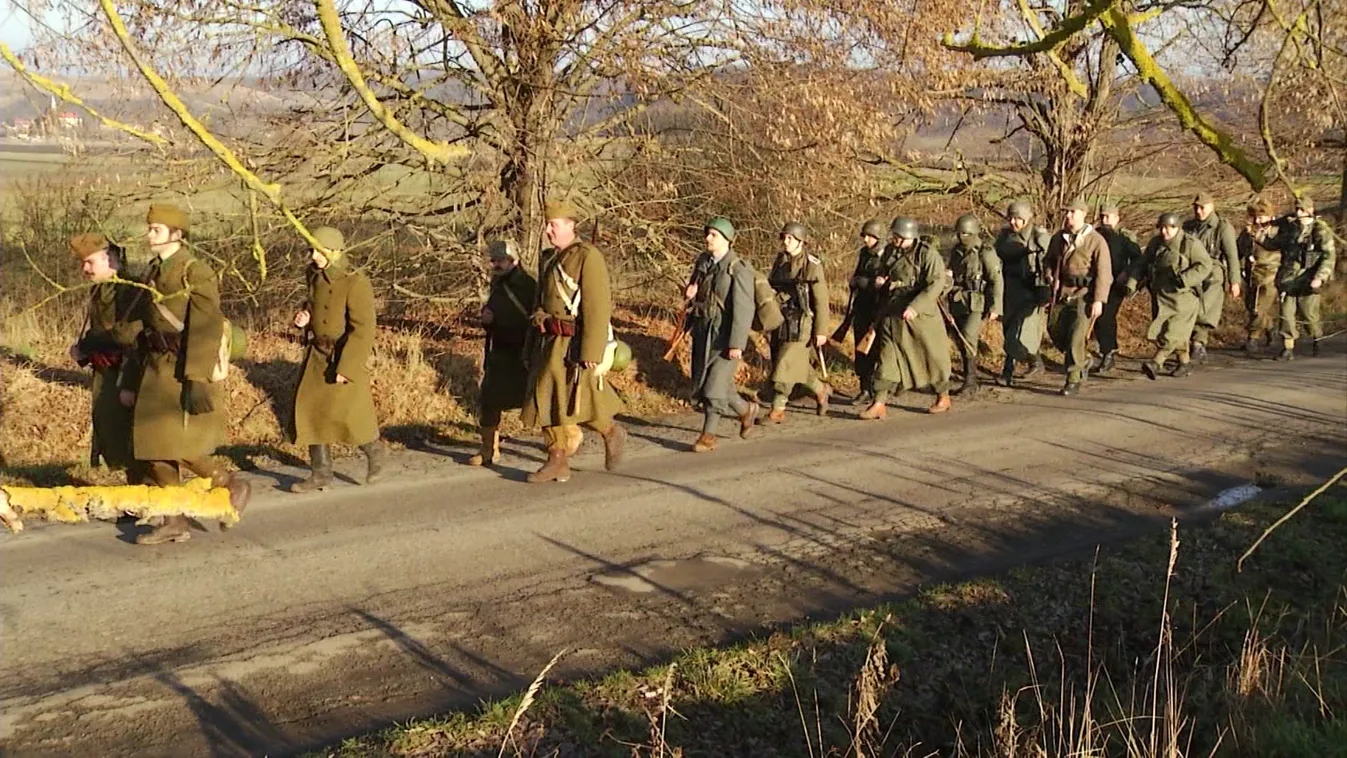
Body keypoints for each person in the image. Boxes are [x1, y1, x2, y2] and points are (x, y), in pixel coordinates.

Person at [131, 204, 250, 545]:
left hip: (181, 367)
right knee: (153, 448)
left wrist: (196, 378)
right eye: (149, 228)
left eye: (156, 229)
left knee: (175, 444)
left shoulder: (195, 272)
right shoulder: (153, 271)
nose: (149, 234)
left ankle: (229, 482)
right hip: (155, 366)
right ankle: (175, 520)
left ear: (177, 234)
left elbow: (205, 328)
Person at [521, 200, 627, 483]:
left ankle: (610, 431)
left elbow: (597, 306)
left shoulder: (586, 256)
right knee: (545, 397)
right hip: (548, 339)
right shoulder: (549, 258)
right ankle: (557, 459)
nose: (548, 230)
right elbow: (541, 300)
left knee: (579, 399)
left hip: (573, 341)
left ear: (570, 225)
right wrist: (535, 329)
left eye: (553, 225)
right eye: (547, 225)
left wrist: (592, 350)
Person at [289, 226, 386, 491]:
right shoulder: (313, 274)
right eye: (311, 250)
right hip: (316, 355)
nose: (313, 257)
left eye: (318, 251)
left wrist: (347, 366)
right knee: (311, 412)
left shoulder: (354, 281)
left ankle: (375, 452)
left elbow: (364, 328)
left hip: (342, 355)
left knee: (349, 414)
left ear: (334, 251)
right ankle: (321, 474)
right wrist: (305, 316)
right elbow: (313, 303)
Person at [858, 217, 952, 419]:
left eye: (897, 236)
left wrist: (916, 307)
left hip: (920, 316)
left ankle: (943, 395)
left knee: (930, 356)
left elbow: (936, 284)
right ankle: (879, 402)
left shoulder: (927, 254)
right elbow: (885, 272)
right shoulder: (890, 252)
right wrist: (881, 281)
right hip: (893, 313)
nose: (894, 239)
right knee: (887, 358)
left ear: (907, 235)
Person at [68, 233, 144, 476]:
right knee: (112, 438)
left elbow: (130, 338)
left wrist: (129, 384)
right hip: (106, 374)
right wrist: (84, 352)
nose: (85, 269)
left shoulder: (131, 290)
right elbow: (102, 334)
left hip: (128, 373)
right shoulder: (99, 290)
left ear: (109, 258)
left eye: (89, 262)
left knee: (134, 443)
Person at [685, 217, 758, 452]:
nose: (708, 238)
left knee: (713, 389)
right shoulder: (703, 262)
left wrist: (737, 343)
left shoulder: (738, 268)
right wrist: (690, 293)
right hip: (703, 331)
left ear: (727, 240)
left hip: (725, 336)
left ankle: (708, 436)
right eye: (708, 234)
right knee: (711, 382)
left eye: (714, 235)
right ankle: (746, 410)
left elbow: (744, 309)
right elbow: (697, 293)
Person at [465, 239, 539, 466]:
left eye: (500, 260)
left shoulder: (528, 284)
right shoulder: (497, 282)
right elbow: (495, 309)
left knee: (539, 400)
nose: (496, 264)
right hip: (500, 349)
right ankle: (488, 449)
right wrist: (488, 318)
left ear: (513, 260)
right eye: (494, 260)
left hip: (524, 351)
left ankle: (561, 444)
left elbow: (533, 318)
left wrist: (498, 318)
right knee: (489, 400)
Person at [1125, 213, 1213, 380]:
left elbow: (1205, 265)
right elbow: (1142, 263)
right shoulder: (1155, 243)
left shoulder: (1190, 244)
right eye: (1162, 228)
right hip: (1161, 296)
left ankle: (1156, 362)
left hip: (1184, 298)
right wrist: (1131, 283)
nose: (1164, 232)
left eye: (1168, 228)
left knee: (1172, 333)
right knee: (1170, 331)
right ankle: (1184, 363)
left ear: (1177, 228)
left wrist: (1185, 278)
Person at [1045, 199, 1112, 396]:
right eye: (1067, 212)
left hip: (1085, 295)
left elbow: (1104, 273)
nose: (1068, 216)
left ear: (1083, 214)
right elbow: (1048, 261)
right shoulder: (1058, 238)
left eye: (1072, 212)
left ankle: (1073, 379)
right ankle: (1083, 360)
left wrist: (1099, 300)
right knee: (1055, 330)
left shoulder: (1096, 241)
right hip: (1062, 293)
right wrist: (1050, 276)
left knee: (1076, 337)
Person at [765, 221, 830, 422]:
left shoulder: (812, 265)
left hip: (803, 321)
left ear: (801, 241)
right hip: (782, 319)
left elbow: (821, 300)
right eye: (784, 237)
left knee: (786, 362)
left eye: (790, 238)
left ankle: (778, 408)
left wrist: (821, 330)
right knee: (795, 362)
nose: (786, 241)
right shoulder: (780, 261)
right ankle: (820, 390)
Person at [1269, 196, 1337, 360]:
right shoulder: (1291, 228)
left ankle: (1317, 338)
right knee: (1286, 314)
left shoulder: (1320, 230)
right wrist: (1259, 235)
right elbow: (1275, 244)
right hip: (1289, 278)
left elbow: (1329, 256)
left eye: (1302, 209)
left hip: (1309, 277)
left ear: (1310, 210)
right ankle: (1288, 347)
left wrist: (1320, 277)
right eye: (1297, 209)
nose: (1299, 213)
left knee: (1309, 315)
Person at [994, 201, 1052, 386]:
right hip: (1009, 289)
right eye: (1010, 218)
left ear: (1027, 219)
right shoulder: (1004, 237)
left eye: (1017, 218)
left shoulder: (1038, 236)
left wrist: (1045, 291)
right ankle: (1033, 362)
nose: (1013, 222)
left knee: (1019, 332)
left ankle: (1009, 371)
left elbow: (1048, 265)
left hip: (1030, 291)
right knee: (1009, 330)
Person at [944, 214, 1002, 395]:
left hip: (977, 302)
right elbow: (951, 273)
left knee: (969, 337)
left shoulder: (985, 252)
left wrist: (995, 307)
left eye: (964, 233)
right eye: (959, 233)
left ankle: (971, 380)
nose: (960, 237)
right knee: (959, 338)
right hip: (957, 300)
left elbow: (996, 280)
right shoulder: (957, 251)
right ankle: (967, 375)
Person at [1183, 192, 1242, 362]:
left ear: (1211, 207)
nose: (1198, 211)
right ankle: (1188, 343)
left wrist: (1235, 281)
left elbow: (1232, 256)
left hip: (1212, 272)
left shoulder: (1222, 227)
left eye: (1202, 207)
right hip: (1191, 270)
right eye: (1196, 207)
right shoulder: (1189, 226)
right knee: (1188, 307)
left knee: (1204, 310)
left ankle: (1198, 342)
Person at [842, 219, 889, 404]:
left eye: (870, 236)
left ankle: (880, 388)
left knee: (878, 349)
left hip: (879, 307)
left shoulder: (888, 254)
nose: (866, 239)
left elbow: (887, 282)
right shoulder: (864, 253)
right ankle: (864, 388)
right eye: (864, 236)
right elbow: (857, 274)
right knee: (861, 349)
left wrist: (870, 283)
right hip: (862, 305)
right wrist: (856, 282)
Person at [1093, 203, 1143, 373]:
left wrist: (1126, 272)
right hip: (1097, 282)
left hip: (1116, 284)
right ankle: (1104, 351)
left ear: (1117, 218)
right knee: (1096, 318)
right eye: (1102, 217)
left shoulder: (1124, 237)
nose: (1104, 220)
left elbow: (1138, 259)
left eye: (1108, 217)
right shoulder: (1095, 235)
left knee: (1106, 317)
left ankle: (1108, 354)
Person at [1237, 198, 1281, 354]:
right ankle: (1270, 328)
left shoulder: (1277, 231)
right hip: (1251, 274)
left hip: (1271, 273)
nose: (1257, 221)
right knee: (1251, 306)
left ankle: (1253, 338)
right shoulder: (1247, 232)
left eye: (1261, 217)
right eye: (1254, 217)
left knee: (1258, 308)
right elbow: (1239, 250)